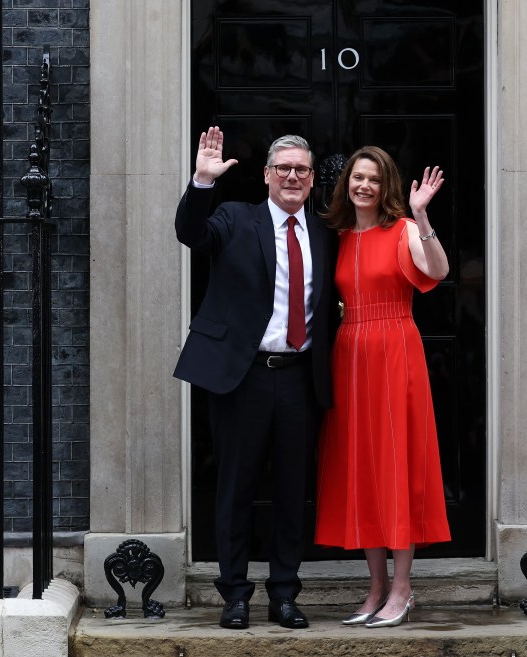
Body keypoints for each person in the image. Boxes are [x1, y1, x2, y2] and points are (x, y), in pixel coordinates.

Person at [174, 126, 336, 630]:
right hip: (241, 377)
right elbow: (191, 234)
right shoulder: (234, 218)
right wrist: (202, 181)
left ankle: (285, 594)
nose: (292, 175)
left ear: (311, 180)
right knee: (236, 489)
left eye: (301, 169)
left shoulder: (327, 232)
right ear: (266, 175)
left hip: (298, 379)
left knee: (293, 492)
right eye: (283, 168)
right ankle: (235, 594)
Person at [314, 146, 451, 628]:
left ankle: (402, 587)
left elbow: (438, 271)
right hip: (350, 353)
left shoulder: (404, 230)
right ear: (346, 184)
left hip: (395, 349)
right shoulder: (340, 236)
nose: (364, 186)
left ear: (385, 185)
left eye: (373, 178)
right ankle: (374, 587)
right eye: (357, 177)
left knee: (396, 466)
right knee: (363, 468)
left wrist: (421, 214)